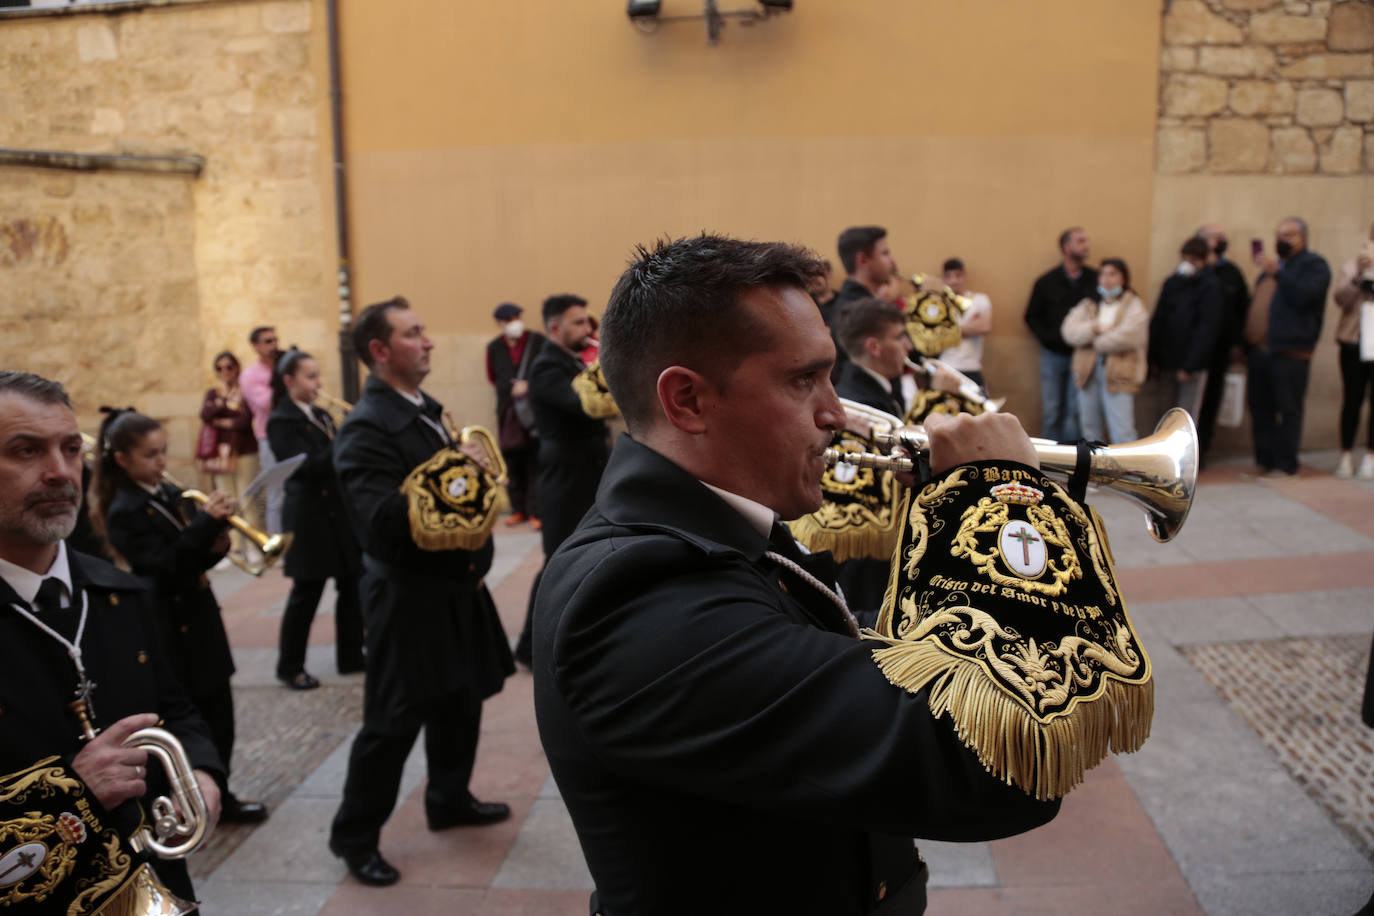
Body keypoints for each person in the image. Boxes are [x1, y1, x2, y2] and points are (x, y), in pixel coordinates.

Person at [533, 235, 1064, 915]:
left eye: (831, 378)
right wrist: (1001, 500)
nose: (837, 415)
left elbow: (829, 651)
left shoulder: (710, 531)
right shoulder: (636, 600)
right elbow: (994, 765)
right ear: (687, 402)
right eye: (802, 379)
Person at [0, 370, 224, 907]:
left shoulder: (118, 594)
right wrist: (74, 798)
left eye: (70, 448)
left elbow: (175, 709)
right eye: (26, 450)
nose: (60, 472)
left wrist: (202, 775)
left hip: (154, 886)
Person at [328, 297, 513, 887]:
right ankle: (354, 837)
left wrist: (471, 472)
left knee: (462, 697)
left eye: (425, 331)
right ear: (380, 352)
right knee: (392, 721)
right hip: (406, 597)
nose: (429, 341)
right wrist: (454, 474)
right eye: (413, 334)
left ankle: (449, 797)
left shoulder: (425, 410)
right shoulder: (364, 429)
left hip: (455, 584)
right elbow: (378, 521)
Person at [92, 407, 268, 827]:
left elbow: (193, 557)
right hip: (171, 625)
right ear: (123, 460)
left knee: (221, 713)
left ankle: (220, 791)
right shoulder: (125, 510)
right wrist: (204, 526)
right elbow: (163, 564)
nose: (162, 462)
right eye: (151, 455)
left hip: (200, 614)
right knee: (194, 715)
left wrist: (218, 539)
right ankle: (190, 798)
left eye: (164, 451)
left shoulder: (166, 494)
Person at [512, 293, 606, 667]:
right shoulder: (547, 366)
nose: (588, 329)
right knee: (558, 561)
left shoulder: (569, 361)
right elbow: (583, 405)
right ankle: (528, 646)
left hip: (586, 470)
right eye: (579, 323)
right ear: (555, 328)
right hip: (565, 475)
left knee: (581, 557)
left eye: (588, 321)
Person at [266, 349, 365, 689]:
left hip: (338, 512)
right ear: (289, 381)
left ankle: (351, 655)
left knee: (352, 585)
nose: (318, 383)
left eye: (318, 375)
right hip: (309, 516)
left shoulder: (322, 414)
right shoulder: (281, 421)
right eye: (310, 376)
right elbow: (302, 467)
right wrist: (342, 444)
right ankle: (289, 665)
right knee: (306, 592)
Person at [832, 297, 911, 617]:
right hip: (864, 574)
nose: (908, 345)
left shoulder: (872, 390)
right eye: (899, 337)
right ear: (874, 347)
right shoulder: (862, 403)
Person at [1247, 217, 1333, 476]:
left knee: (1288, 409)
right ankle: (1266, 461)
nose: (1282, 239)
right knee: (1260, 408)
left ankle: (1286, 465)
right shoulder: (1273, 269)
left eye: (1288, 234)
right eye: (1279, 234)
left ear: (1303, 238)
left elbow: (1304, 296)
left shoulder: (1314, 265)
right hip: (1261, 352)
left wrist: (1279, 273)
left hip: (1291, 352)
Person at [1062, 257, 1149, 444]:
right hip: (1087, 371)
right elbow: (1069, 331)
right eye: (1103, 274)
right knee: (1089, 427)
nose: (1107, 279)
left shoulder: (1133, 304)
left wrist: (1096, 341)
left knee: (1122, 428)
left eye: (1112, 274)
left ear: (1123, 278)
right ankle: (1094, 469)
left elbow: (1131, 336)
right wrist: (1095, 328)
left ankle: (1126, 471)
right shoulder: (1089, 304)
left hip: (1119, 374)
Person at [1025, 227, 1097, 442]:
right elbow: (1031, 316)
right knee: (1052, 410)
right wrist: (1049, 338)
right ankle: (1051, 462)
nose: (1086, 246)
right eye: (1081, 241)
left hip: (1083, 355)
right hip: (1053, 355)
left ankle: (1071, 461)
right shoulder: (1046, 281)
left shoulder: (1095, 279)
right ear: (1067, 247)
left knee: (1075, 412)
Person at [1148, 237, 1225, 422]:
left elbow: (1207, 328)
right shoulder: (1173, 283)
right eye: (1186, 259)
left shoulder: (1211, 286)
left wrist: (1191, 364)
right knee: (1165, 414)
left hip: (1191, 365)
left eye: (1194, 260)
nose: (1188, 264)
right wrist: (1154, 358)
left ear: (1204, 260)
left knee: (1186, 416)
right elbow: (1159, 319)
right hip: (1168, 361)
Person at [485, 302, 546, 527]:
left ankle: (535, 511)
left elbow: (544, 370)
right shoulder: (494, 348)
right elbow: (492, 376)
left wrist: (528, 384)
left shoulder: (536, 341)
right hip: (507, 412)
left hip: (531, 412)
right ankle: (518, 508)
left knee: (534, 459)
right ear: (500, 323)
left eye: (517, 317)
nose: (515, 323)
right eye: (509, 320)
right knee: (512, 459)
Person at [1195, 224, 1250, 461]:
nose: (1219, 241)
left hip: (1220, 350)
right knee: (1191, 402)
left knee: (1212, 401)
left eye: (1222, 237)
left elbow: (1243, 309)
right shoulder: (1193, 273)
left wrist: (1239, 344)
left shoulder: (1232, 273)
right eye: (1214, 237)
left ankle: (1204, 449)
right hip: (1195, 351)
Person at [197, 351, 257, 560]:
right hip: (222, 454)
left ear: (236, 368)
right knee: (227, 500)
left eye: (229, 367)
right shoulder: (215, 393)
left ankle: (253, 544)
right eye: (220, 368)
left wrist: (224, 420)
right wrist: (221, 405)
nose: (225, 372)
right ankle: (234, 546)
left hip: (244, 452)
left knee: (247, 498)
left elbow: (244, 420)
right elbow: (205, 415)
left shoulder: (244, 392)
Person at [830, 227, 900, 382]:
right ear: (863, 260)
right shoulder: (856, 310)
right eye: (885, 254)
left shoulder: (862, 303)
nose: (892, 261)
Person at [1332, 222, 1374, 479]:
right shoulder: (1351, 266)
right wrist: (1359, 275)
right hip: (1352, 342)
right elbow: (1340, 300)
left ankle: (1370, 457)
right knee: (1352, 400)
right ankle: (1346, 455)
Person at [239, 326, 282, 532]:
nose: (273, 345)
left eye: (274, 340)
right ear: (255, 346)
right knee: (276, 494)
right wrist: (285, 381)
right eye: (267, 341)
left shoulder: (283, 367)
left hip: (293, 434)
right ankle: (279, 548)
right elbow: (266, 403)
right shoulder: (250, 375)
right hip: (270, 437)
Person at [938, 257, 993, 392]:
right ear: (943, 279)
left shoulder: (980, 300)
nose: (954, 281)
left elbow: (985, 326)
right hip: (946, 368)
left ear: (964, 277)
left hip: (972, 367)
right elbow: (935, 334)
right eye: (949, 276)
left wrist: (950, 329)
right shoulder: (937, 304)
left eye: (958, 275)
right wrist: (971, 327)